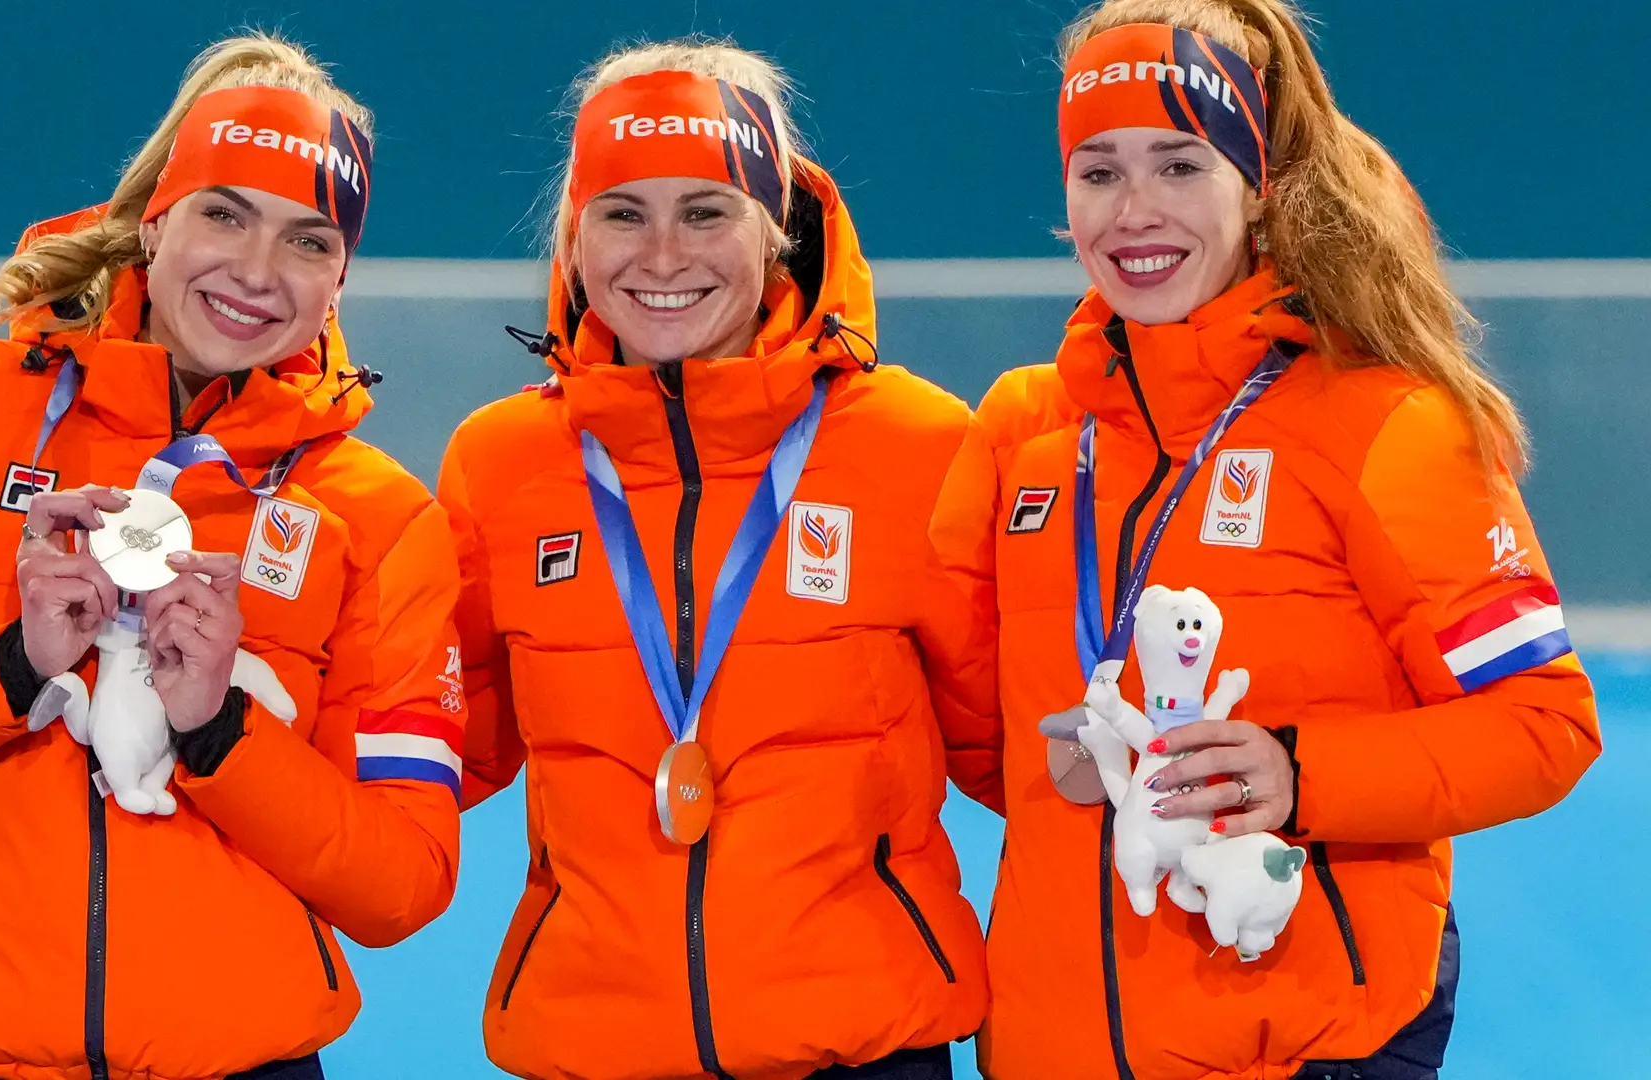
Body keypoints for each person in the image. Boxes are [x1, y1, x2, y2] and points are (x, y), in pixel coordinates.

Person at [0, 34, 462, 1080]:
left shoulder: (379, 515)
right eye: (224, 213)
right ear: (155, 220)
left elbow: (402, 885)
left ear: (341, 277)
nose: (257, 272)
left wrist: (217, 726)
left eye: (308, 241)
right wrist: (13, 662)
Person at [929, 2, 1604, 1078]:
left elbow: (1545, 725)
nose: (1134, 212)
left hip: (1304, 1043)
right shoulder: (1023, 431)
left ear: (1262, 187)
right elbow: (972, 730)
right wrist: (1067, 760)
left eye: (1180, 165)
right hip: (1053, 1044)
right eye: (1098, 172)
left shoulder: (1385, 423)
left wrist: (1296, 773)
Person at [440, 39, 1003, 1080]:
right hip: (593, 1050)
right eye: (622, 213)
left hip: (867, 1050)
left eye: (705, 211)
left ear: (777, 229)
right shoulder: (499, 463)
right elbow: (441, 754)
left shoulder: (920, 445)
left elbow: (1014, 752)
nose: (661, 257)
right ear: (572, 236)